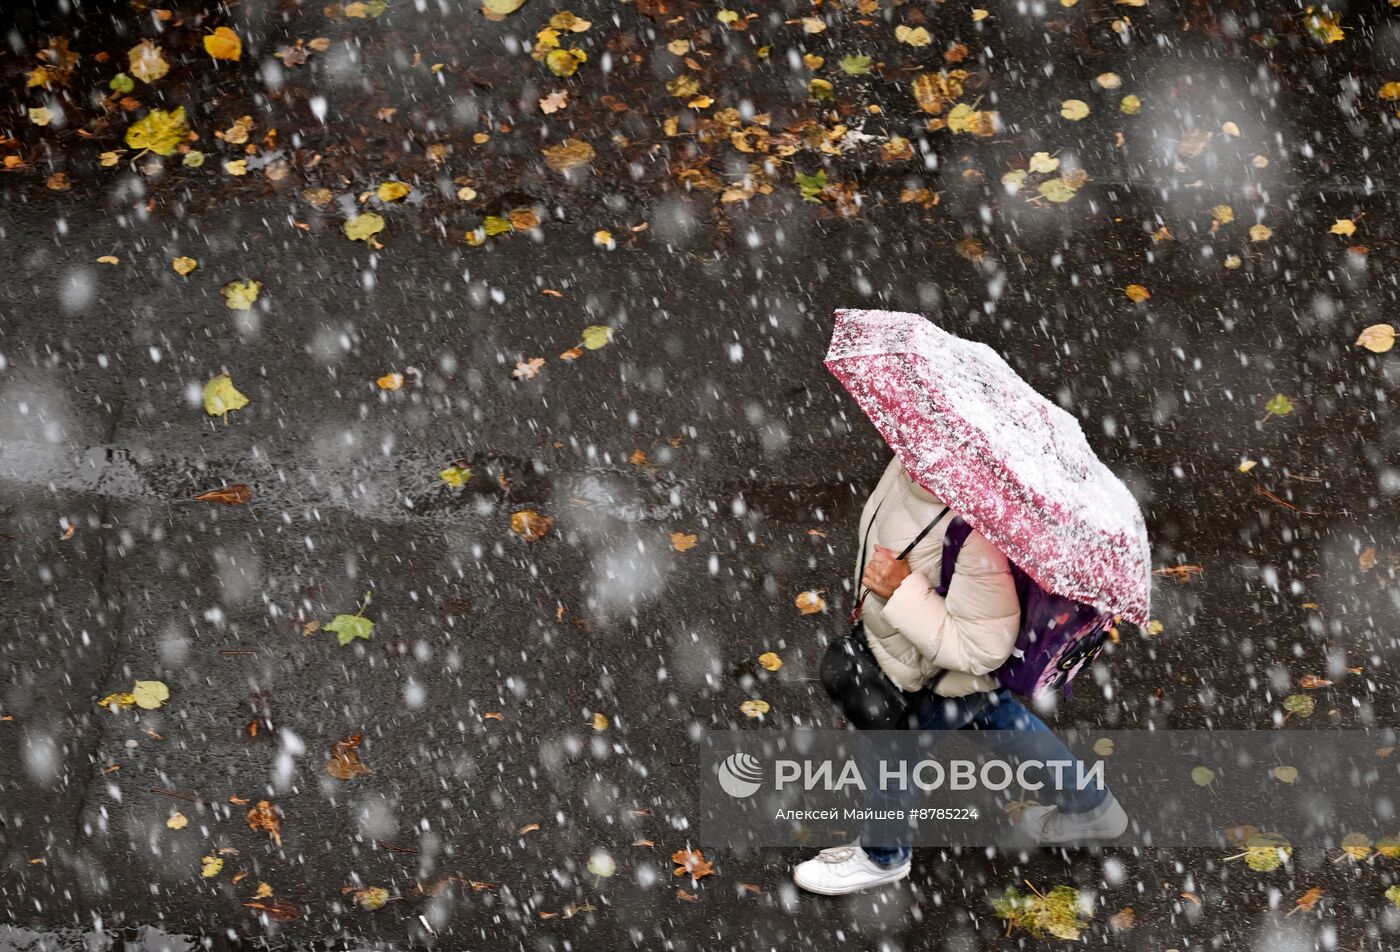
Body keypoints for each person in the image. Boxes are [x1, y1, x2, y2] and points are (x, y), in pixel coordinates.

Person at [792, 456, 1128, 896]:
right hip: (919, 658)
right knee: (999, 721)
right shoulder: (914, 463)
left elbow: (982, 647)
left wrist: (901, 590)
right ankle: (1091, 807)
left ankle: (882, 857)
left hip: (936, 674)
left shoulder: (975, 533)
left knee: (891, 748)